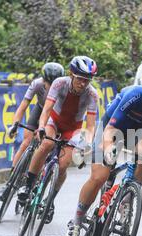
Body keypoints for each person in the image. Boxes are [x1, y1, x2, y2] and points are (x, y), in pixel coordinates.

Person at [65, 71, 142, 236]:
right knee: (99, 177)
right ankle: (76, 222)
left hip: (138, 130)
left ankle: (126, 200)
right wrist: (108, 147)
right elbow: (110, 129)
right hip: (111, 126)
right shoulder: (136, 95)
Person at [17, 56, 99, 223]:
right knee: (47, 143)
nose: (83, 84)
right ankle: (28, 183)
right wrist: (41, 127)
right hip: (53, 121)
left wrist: (87, 144)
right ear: (71, 74)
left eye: (87, 80)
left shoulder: (92, 94)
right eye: (80, 79)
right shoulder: (59, 83)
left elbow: (90, 127)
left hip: (73, 128)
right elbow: (46, 110)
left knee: (63, 165)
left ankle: (50, 200)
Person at [0, 62, 65, 201]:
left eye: (54, 84)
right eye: (48, 84)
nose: (51, 87)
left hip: (55, 115)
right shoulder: (37, 84)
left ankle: (36, 180)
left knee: (47, 147)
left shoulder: (63, 88)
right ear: (43, 80)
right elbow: (23, 106)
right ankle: (9, 184)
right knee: (26, 142)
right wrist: (15, 124)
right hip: (40, 109)